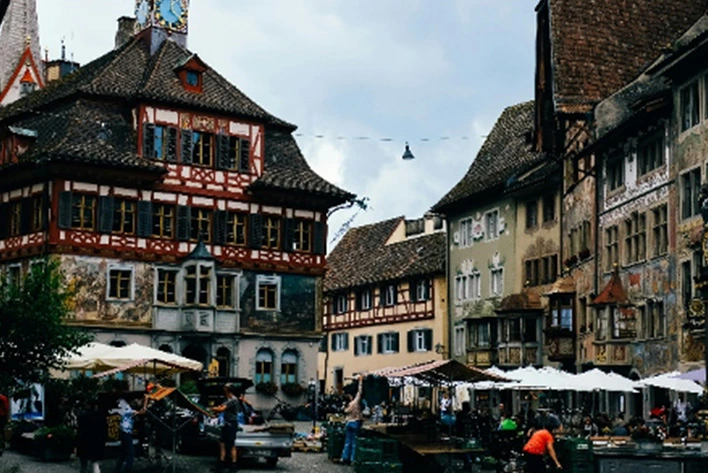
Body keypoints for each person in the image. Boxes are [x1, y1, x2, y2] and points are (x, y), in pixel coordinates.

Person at [211, 383, 243, 471]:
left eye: (225, 387)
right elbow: (220, 407)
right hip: (226, 423)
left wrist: (211, 409)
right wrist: (215, 411)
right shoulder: (227, 399)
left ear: (228, 389)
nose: (223, 388)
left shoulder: (233, 399)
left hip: (232, 424)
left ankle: (234, 465)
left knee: (231, 445)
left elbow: (221, 409)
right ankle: (221, 464)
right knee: (222, 443)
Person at [111, 397, 145, 473]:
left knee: (123, 453)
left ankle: (117, 469)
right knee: (131, 453)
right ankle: (127, 470)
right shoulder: (129, 410)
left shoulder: (127, 409)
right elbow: (142, 411)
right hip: (126, 433)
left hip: (124, 433)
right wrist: (145, 401)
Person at [339, 374, 365, 465]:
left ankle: (344, 458)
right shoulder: (354, 403)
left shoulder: (345, 406)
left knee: (347, 442)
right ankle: (352, 459)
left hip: (348, 423)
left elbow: (344, 412)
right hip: (355, 422)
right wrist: (360, 382)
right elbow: (360, 392)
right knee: (354, 442)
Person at [77, 399, 107, 473]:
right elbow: (104, 430)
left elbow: (80, 432)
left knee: (84, 464)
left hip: (84, 442)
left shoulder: (82, 417)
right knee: (95, 463)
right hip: (97, 442)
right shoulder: (101, 417)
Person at [0, 392, 9, 456]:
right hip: (1, 416)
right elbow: (6, 408)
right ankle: (2, 445)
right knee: (1, 430)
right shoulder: (3, 398)